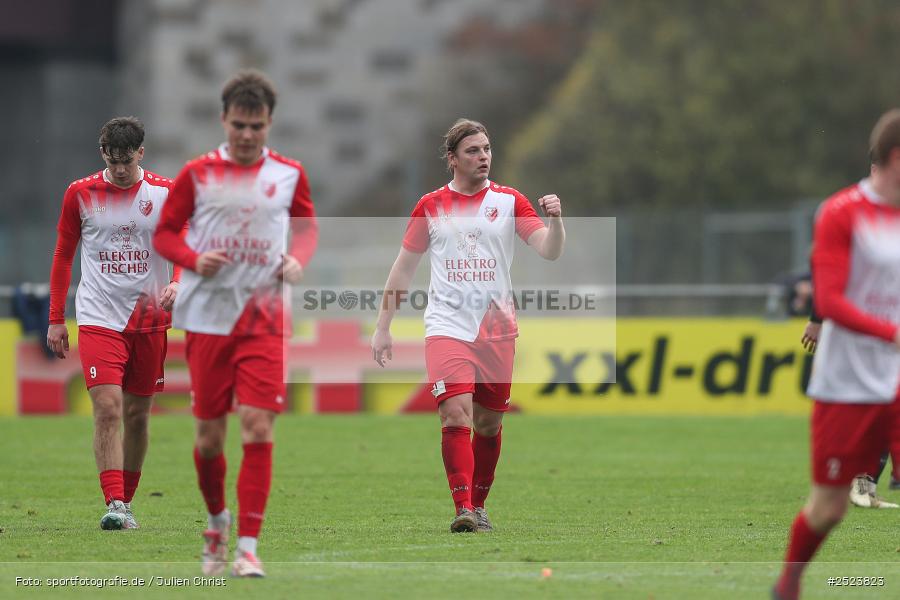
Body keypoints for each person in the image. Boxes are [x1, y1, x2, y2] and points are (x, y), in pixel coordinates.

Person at [153, 70, 317, 577]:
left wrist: (298, 260)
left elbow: (307, 227)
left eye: (257, 126)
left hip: (264, 318)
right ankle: (216, 519)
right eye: (239, 125)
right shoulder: (197, 173)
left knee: (258, 424)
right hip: (208, 318)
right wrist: (192, 257)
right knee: (208, 438)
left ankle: (247, 546)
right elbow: (164, 233)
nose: (247, 135)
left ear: (270, 124)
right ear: (223, 120)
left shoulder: (289, 174)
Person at [371, 118, 565, 532]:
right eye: (474, 151)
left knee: (489, 423)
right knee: (454, 415)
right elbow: (403, 268)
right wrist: (383, 326)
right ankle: (462, 508)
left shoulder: (511, 201)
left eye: (487, 149)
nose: (484, 157)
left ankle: (478, 505)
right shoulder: (430, 206)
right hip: (447, 325)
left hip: (497, 328)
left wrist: (558, 222)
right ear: (452, 159)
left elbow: (548, 251)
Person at [773, 109, 900, 600]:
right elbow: (829, 300)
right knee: (829, 507)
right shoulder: (843, 212)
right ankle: (788, 586)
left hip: (895, 379)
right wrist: (891, 332)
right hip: (846, 383)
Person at [47, 117, 178, 530]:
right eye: (112, 159)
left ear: (141, 153)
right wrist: (55, 319)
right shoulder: (80, 194)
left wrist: (178, 283)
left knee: (138, 414)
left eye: (127, 160)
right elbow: (64, 255)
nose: (120, 169)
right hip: (99, 317)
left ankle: (127, 504)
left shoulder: (166, 193)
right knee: (107, 407)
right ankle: (115, 502)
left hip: (150, 319)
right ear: (103, 154)